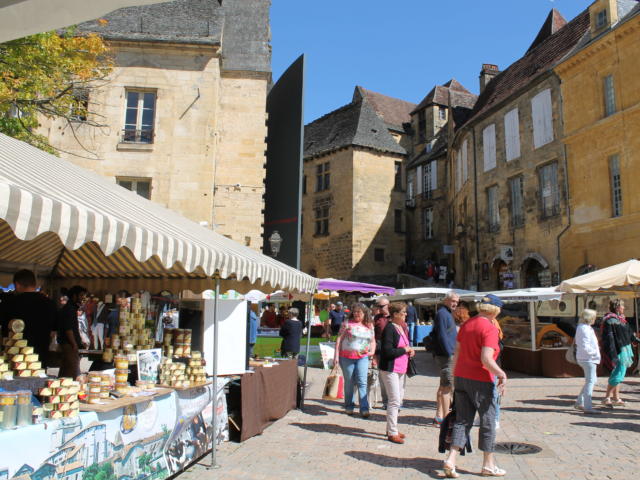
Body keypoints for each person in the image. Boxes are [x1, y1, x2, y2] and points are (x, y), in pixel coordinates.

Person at [443, 294, 507, 478]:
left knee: (463, 420)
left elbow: (456, 354)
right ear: (496, 310)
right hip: (481, 379)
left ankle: (451, 459)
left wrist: (455, 378)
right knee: (488, 421)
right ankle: (488, 464)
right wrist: (501, 373)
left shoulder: (467, 325)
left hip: (461, 376)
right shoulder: (490, 328)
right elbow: (486, 359)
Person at [0, 269, 57, 368]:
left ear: (17, 284)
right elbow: (53, 332)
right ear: (34, 284)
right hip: (40, 358)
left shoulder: (9, 303)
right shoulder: (50, 304)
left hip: (13, 357)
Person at [379, 302, 415, 444]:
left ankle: (391, 428)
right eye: (403, 312)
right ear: (395, 314)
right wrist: (405, 350)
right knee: (394, 400)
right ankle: (392, 432)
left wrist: (409, 350)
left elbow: (403, 346)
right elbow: (387, 351)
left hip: (400, 368)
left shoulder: (400, 327)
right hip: (390, 369)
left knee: (399, 400)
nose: (406, 314)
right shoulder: (389, 329)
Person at [333, 303, 376, 417]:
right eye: (355, 311)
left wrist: (372, 352)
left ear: (364, 313)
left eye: (359, 312)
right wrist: (336, 357)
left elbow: (372, 341)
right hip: (346, 357)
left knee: (362, 382)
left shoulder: (369, 325)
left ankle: (364, 408)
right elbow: (339, 340)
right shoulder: (346, 324)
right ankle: (349, 405)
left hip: (362, 358)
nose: (357, 314)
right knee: (349, 382)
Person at [601, 299, 638, 407]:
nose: (624, 308)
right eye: (622, 306)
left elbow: (628, 334)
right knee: (618, 375)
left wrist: (634, 339)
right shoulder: (613, 320)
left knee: (618, 373)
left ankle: (616, 398)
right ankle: (607, 397)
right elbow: (612, 338)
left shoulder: (617, 319)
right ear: (617, 308)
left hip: (622, 349)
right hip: (620, 350)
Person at [433, 291, 459, 426]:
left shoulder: (447, 313)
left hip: (447, 354)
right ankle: (446, 419)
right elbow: (442, 335)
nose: (455, 303)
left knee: (443, 386)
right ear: (446, 300)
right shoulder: (443, 314)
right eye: (453, 300)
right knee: (447, 387)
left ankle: (439, 416)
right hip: (446, 355)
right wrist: (449, 353)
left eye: (456, 301)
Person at [57, 285, 88, 379]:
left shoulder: (71, 308)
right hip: (68, 344)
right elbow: (68, 329)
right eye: (81, 295)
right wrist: (74, 344)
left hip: (69, 343)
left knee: (66, 370)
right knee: (73, 371)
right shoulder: (69, 309)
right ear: (74, 296)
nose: (83, 298)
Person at [574, 309, 601, 414]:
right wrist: (593, 352)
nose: (595, 319)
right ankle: (588, 406)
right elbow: (584, 345)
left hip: (587, 357)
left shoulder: (585, 328)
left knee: (592, 380)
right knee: (590, 381)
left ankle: (580, 402)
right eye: (594, 317)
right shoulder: (584, 328)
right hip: (588, 358)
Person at [373, 296, 391, 408]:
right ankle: (386, 401)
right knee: (382, 376)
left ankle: (394, 400)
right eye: (378, 306)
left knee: (393, 375)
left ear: (388, 305)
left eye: (381, 306)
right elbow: (372, 335)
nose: (379, 308)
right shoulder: (377, 318)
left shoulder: (394, 316)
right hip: (380, 349)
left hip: (393, 349)